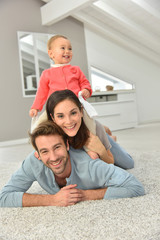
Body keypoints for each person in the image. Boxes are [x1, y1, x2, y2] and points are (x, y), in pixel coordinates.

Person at [0, 121, 145, 208]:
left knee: (127, 163)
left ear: (67, 146)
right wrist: (53, 200)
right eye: (44, 151)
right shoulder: (33, 162)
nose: (53, 157)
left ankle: (107, 137)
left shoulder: (90, 165)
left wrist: (85, 195)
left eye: (57, 147)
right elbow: (3, 197)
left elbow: (136, 187)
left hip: (95, 142)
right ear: (37, 154)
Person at [29, 34, 116, 158]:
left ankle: (90, 146)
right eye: (63, 48)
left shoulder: (76, 70)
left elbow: (85, 83)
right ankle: (39, 148)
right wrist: (35, 108)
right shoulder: (47, 74)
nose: (67, 51)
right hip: (54, 109)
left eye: (69, 48)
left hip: (75, 107)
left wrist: (86, 89)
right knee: (39, 126)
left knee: (90, 124)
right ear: (51, 54)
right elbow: (41, 93)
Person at [46, 90, 134, 169]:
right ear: (53, 118)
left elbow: (110, 161)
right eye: (60, 116)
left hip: (97, 134)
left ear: (81, 111)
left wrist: (102, 150)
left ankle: (109, 138)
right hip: (77, 139)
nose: (68, 121)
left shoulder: (94, 128)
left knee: (128, 164)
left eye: (73, 113)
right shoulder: (49, 132)